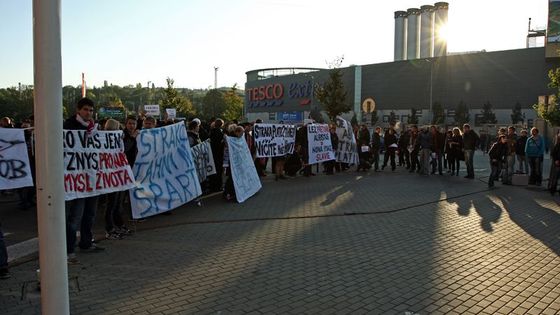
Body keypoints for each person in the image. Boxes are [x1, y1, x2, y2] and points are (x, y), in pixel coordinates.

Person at [64, 98, 104, 264]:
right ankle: (69, 250)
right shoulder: (68, 126)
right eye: (86, 110)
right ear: (78, 110)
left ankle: (86, 243)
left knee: (90, 214)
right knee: (75, 217)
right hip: (78, 181)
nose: (89, 113)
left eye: (91, 110)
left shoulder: (94, 128)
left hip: (92, 179)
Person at [103, 119, 128, 240]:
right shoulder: (103, 140)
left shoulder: (117, 140)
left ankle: (117, 225)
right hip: (110, 177)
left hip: (117, 176)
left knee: (117, 203)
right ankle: (109, 228)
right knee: (111, 204)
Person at [208, 119, 225, 192]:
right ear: (221, 125)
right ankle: (218, 186)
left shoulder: (211, 132)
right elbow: (220, 144)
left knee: (213, 171)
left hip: (212, 153)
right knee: (218, 171)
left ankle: (213, 186)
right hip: (218, 154)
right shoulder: (220, 133)